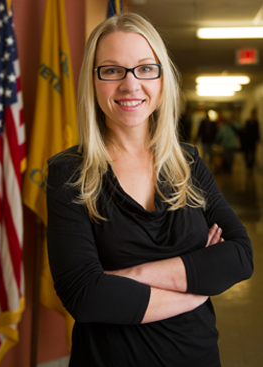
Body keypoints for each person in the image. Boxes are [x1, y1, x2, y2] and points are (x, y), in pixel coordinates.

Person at [46, 13, 253, 367]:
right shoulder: (69, 173)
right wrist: (195, 287)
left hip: (198, 356)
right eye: (112, 70)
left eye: (145, 68)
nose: (130, 85)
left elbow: (240, 257)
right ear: (93, 81)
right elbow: (85, 295)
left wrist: (132, 276)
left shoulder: (188, 163)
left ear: (161, 79)